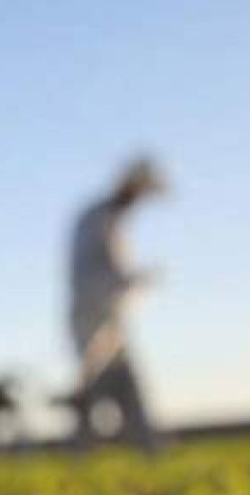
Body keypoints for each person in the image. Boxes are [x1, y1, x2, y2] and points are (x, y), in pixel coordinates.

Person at [65, 157, 165, 452]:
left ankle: (147, 447)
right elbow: (95, 273)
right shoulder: (97, 218)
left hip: (110, 317)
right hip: (91, 316)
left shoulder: (112, 219)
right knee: (95, 385)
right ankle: (81, 452)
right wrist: (133, 279)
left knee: (126, 382)